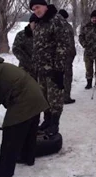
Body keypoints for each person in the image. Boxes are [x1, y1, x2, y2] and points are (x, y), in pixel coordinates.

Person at [30, 0, 70, 136]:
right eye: (34, 9)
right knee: (44, 97)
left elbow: (63, 45)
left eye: (38, 7)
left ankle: (54, 124)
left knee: (55, 98)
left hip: (53, 69)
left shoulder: (56, 20)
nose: (36, 11)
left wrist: (59, 69)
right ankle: (47, 121)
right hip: (41, 69)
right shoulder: (39, 23)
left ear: (45, 6)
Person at [79, 10, 96, 90]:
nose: (94, 19)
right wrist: (84, 44)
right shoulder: (86, 26)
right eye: (93, 18)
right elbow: (81, 36)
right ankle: (89, 83)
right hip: (88, 51)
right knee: (88, 68)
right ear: (90, 18)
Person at [58, 9, 77, 104]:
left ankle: (58, 97)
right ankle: (66, 97)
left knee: (58, 77)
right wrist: (72, 54)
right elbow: (70, 44)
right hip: (66, 56)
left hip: (57, 57)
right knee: (67, 77)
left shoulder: (55, 26)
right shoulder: (67, 27)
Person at [12, 13, 38, 80]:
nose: (37, 25)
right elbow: (16, 49)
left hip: (40, 72)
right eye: (35, 23)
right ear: (30, 23)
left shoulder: (43, 35)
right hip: (25, 70)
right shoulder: (21, 35)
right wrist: (28, 62)